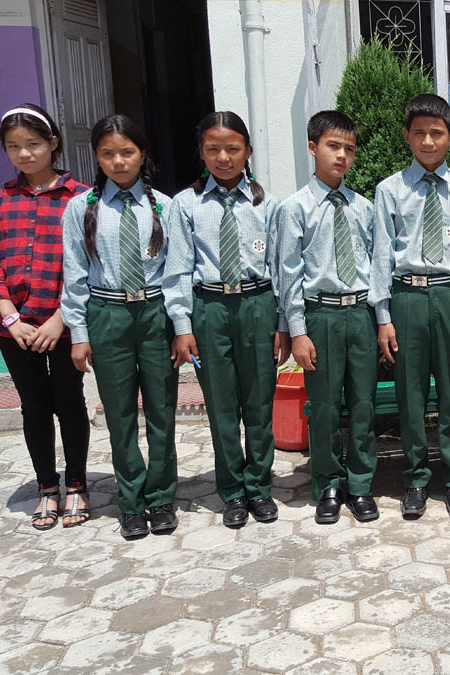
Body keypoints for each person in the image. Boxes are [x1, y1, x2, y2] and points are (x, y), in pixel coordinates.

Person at [61, 114, 179, 540]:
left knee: (162, 410)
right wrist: (78, 334)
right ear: (96, 156)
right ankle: (131, 501)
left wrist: (179, 324)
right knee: (120, 413)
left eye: (127, 152)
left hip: (154, 313)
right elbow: (74, 274)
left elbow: (175, 271)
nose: (118, 161)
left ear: (142, 154)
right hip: (107, 314)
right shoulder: (81, 208)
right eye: (108, 153)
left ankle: (162, 496)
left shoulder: (164, 206)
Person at [370, 94, 450, 519]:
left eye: (436, 133)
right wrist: (384, 316)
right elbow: (381, 256)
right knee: (411, 393)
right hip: (408, 296)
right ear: (407, 136)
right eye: (419, 133)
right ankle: (416, 479)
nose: (428, 141)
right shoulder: (390, 190)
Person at [164, 111, 281, 529]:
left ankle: (259, 487)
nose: (223, 157)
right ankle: (231, 491)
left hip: (257, 305)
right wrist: (183, 326)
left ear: (248, 151)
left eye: (233, 148)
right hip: (210, 308)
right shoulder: (185, 204)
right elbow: (177, 268)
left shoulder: (267, 203)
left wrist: (281, 322)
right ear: (201, 152)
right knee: (222, 406)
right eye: (213, 149)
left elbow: (280, 265)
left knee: (259, 404)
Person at [0, 104, 90, 530]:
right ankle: (47, 485)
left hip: (62, 322)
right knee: (34, 406)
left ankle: (77, 483)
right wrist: (9, 318)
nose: (25, 154)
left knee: (69, 401)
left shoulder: (79, 198)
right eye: (14, 147)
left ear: (53, 144)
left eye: (33, 144)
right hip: (13, 328)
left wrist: (61, 318)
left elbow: (87, 263)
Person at [276, 111, 380, 525]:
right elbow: (288, 274)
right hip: (320, 315)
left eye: (349, 149)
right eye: (333, 146)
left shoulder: (364, 208)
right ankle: (329, 484)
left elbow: (376, 264)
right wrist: (297, 331)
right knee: (322, 406)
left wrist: (379, 317)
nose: (341, 156)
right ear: (313, 148)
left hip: (360, 314)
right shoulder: (294, 208)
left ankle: (360, 484)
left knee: (362, 405)